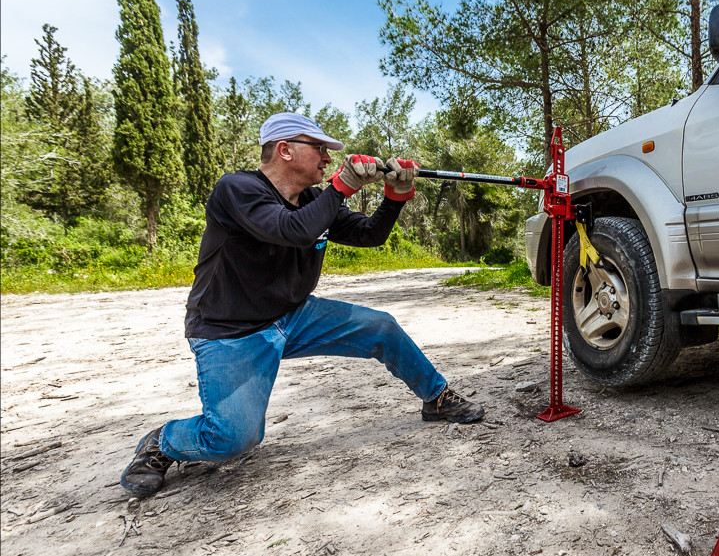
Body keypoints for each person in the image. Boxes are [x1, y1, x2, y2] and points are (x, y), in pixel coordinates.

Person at [120, 112, 483, 498]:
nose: (327, 159)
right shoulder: (237, 190)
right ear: (284, 150)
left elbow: (369, 234)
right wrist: (342, 186)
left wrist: (395, 197)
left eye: (328, 154)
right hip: (232, 332)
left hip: (293, 316)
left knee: (381, 327)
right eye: (320, 149)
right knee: (233, 440)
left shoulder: (312, 198)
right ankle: (164, 441)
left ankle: (436, 398)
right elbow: (291, 230)